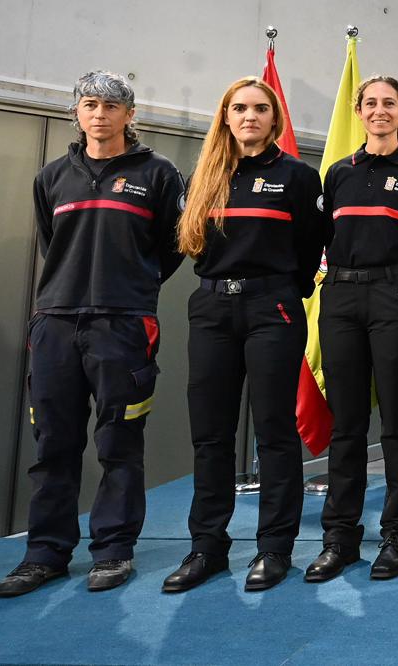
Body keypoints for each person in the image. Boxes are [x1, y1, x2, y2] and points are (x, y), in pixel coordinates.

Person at [0, 71, 184, 597]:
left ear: (130, 114)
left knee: (119, 441)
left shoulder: (160, 174)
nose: (98, 113)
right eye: (89, 104)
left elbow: (172, 247)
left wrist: (133, 284)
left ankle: (113, 550)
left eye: (110, 105)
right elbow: (52, 242)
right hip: (55, 323)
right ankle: (45, 554)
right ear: (76, 113)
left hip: (124, 325)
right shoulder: (52, 177)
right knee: (53, 443)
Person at [161, 77, 324, 593]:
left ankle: (274, 548)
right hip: (211, 307)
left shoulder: (298, 176)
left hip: (271, 305)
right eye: (239, 108)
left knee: (275, 431)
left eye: (260, 108)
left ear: (274, 119)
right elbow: (188, 245)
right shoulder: (204, 176)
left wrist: (276, 290)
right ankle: (206, 547)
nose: (249, 116)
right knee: (210, 433)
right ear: (225, 117)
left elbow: (309, 250)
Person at [306, 76, 398, 583]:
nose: (380, 111)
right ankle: (339, 538)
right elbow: (323, 238)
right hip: (340, 300)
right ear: (358, 111)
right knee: (347, 424)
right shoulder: (339, 173)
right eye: (371, 103)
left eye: (389, 103)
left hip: (396, 298)